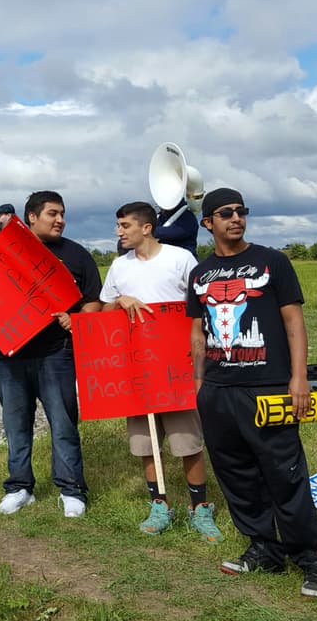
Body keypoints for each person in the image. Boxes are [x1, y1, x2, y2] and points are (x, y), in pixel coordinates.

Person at [187, 187, 317, 598]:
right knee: (236, 475)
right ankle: (264, 548)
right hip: (217, 390)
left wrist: (298, 378)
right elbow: (197, 332)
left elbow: (294, 323)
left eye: (241, 211)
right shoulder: (199, 274)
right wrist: (200, 384)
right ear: (208, 223)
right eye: (225, 213)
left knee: (284, 473)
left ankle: (313, 557)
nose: (236, 218)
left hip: (267, 386)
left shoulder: (272, 261)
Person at [99, 201, 221, 543]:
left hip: (176, 366)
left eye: (124, 225)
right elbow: (105, 311)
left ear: (146, 227)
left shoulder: (179, 259)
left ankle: (200, 506)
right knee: (145, 441)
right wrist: (121, 300)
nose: (119, 232)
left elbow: (202, 304)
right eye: (118, 225)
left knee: (188, 441)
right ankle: (159, 504)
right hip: (137, 368)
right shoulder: (119, 267)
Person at [0, 191, 102, 519]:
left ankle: (71, 489)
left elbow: (93, 301)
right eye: (52, 213)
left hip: (57, 354)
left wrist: (78, 320)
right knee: (16, 425)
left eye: (62, 214)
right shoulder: (2, 252)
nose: (60, 220)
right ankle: (19, 487)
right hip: (11, 355)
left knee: (64, 423)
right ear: (31, 217)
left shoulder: (76, 255)